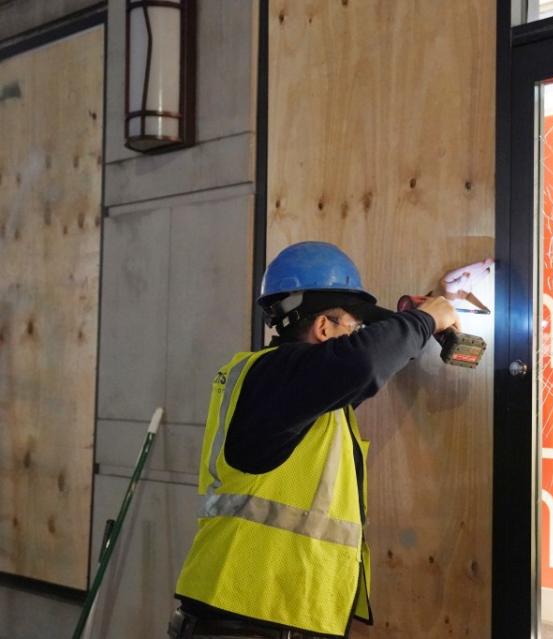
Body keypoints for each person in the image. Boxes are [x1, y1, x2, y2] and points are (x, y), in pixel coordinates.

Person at [167, 241, 492, 639]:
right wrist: (425, 321)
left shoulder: (297, 394)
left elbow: (364, 365)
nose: (358, 335)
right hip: (244, 621)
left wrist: (420, 321)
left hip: (267, 615)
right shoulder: (276, 375)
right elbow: (361, 362)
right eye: (353, 327)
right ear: (323, 328)